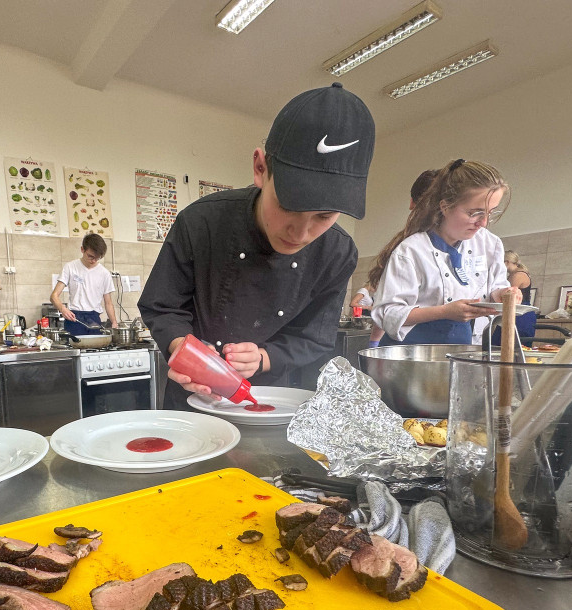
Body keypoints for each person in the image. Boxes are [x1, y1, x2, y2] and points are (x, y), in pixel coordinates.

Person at [138, 82, 374, 408]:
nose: (301, 233)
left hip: (273, 400)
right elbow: (162, 306)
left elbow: (314, 337)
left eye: (323, 216)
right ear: (261, 169)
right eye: (289, 206)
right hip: (193, 397)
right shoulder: (200, 222)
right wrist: (184, 349)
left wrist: (264, 357)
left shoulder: (337, 252)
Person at [371, 159, 520, 345]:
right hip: (411, 352)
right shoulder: (411, 250)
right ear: (445, 207)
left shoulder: (490, 244)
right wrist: (443, 312)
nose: (483, 223)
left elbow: (494, 288)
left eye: (491, 212)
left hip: (462, 347)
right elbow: (387, 313)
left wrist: (504, 294)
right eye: (474, 213)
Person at [357, 168, 439, 347]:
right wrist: (374, 346)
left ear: (412, 203)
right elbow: (387, 311)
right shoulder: (405, 251)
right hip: (406, 349)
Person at [50, 233, 117, 336]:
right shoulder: (70, 267)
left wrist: (114, 323)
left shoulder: (104, 273)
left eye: (97, 258)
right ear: (82, 249)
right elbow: (54, 296)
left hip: (94, 319)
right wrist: (63, 309)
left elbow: (108, 303)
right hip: (74, 319)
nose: (93, 260)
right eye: (90, 256)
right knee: (75, 346)